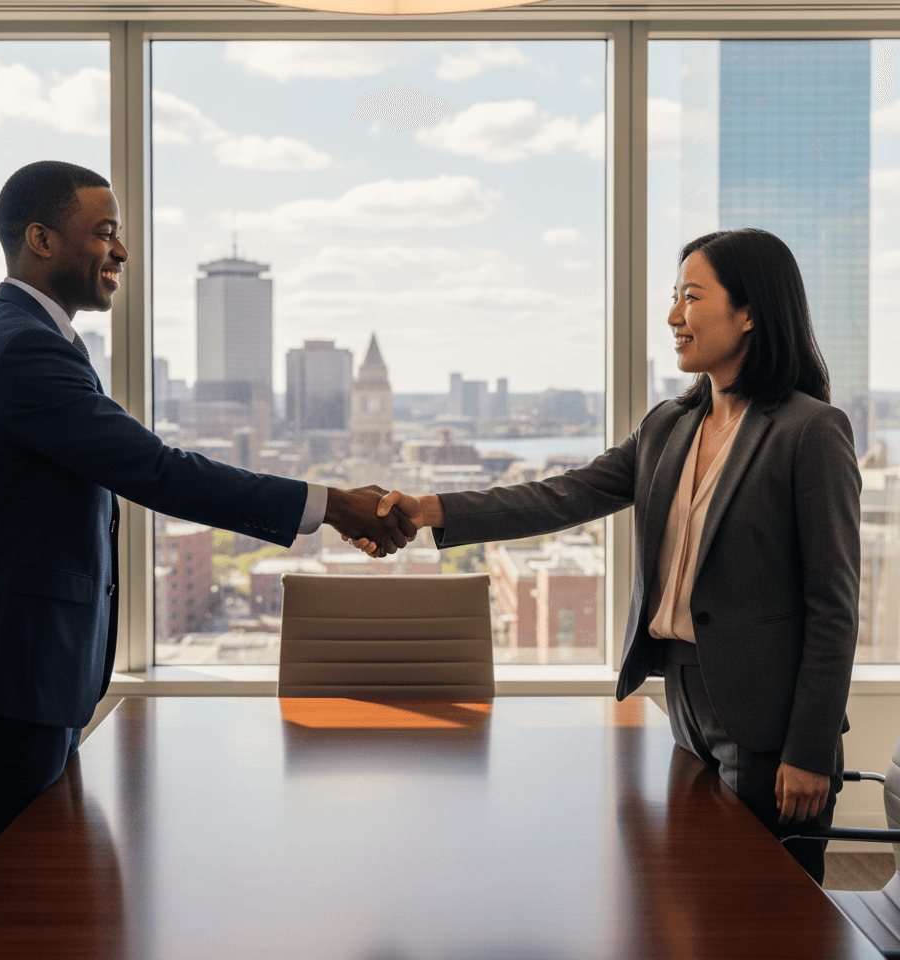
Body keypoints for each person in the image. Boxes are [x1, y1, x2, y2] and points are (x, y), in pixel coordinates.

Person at [0, 160, 415, 880]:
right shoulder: (21, 347)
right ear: (41, 240)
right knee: (6, 895)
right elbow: (154, 469)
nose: (121, 252)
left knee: (41, 884)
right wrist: (330, 506)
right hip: (6, 665)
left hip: (23, 663)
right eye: (104, 232)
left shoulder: (29, 337)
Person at [355, 228, 860, 885]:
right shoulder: (667, 427)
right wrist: (430, 511)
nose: (674, 316)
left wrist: (810, 749)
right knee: (696, 892)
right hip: (683, 699)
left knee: (768, 911)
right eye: (673, 298)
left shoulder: (810, 431)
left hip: (770, 717)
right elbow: (560, 497)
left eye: (691, 298)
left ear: (749, 312)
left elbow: (833, 607)